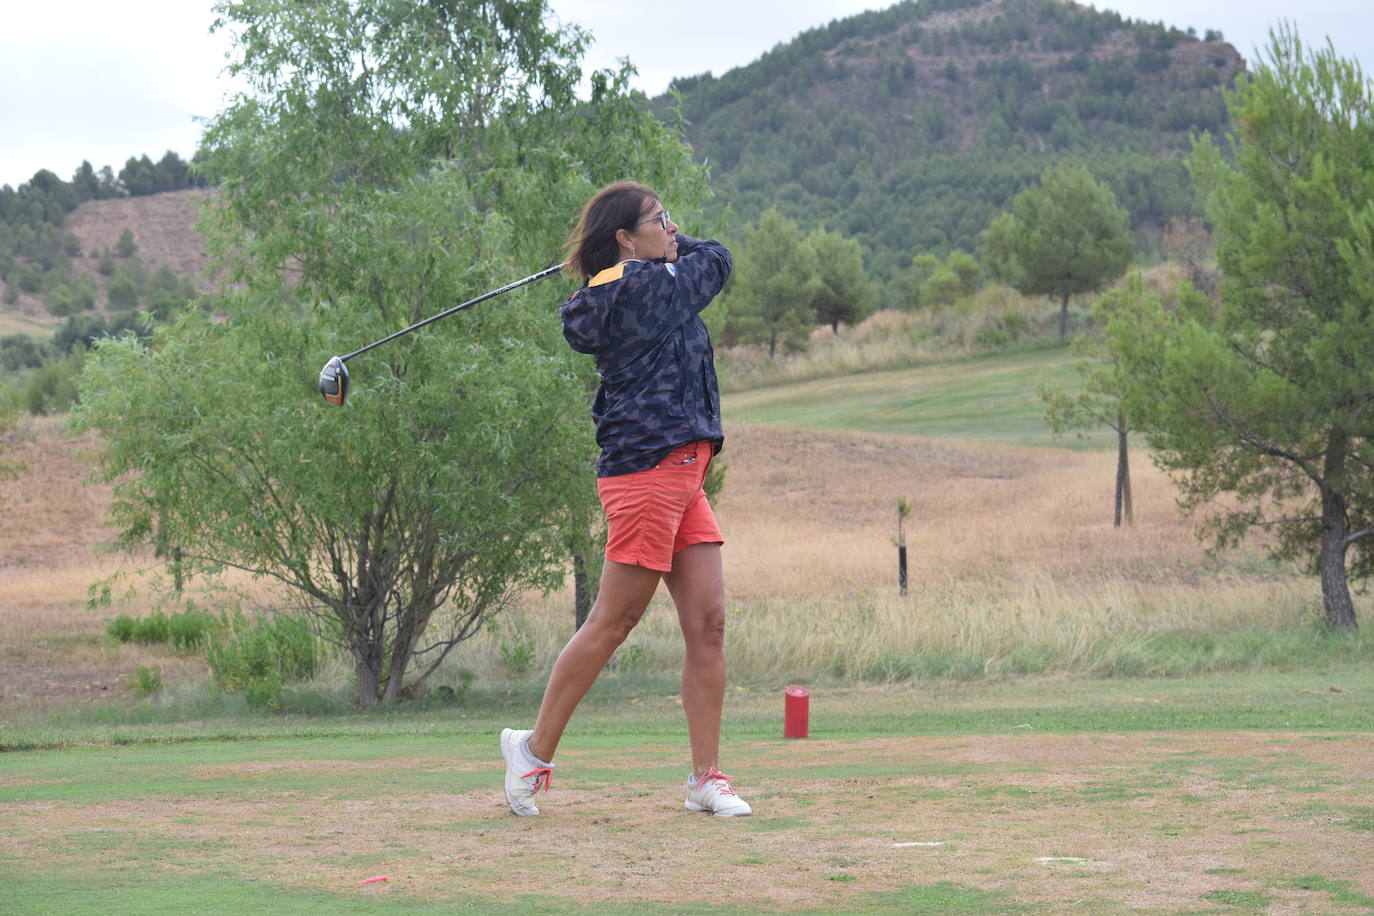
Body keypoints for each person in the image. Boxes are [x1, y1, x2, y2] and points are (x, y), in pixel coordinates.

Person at [499, 180, 750, 818]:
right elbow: (717, 257)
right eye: (660, 219)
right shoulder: (647, 286)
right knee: (614, 622)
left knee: (708, 625)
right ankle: (531, 752)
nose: (673, 227)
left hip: (682, 471)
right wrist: (666, 250)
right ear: (624, 238)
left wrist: (642, 250)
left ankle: (705, 778)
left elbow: (621, 289)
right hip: (646, 472)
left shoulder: (625, 283)